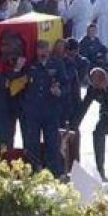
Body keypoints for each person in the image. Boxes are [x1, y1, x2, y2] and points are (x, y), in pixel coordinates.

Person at [16, 39, 69, 177]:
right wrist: (17, 68)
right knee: (31, 143)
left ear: (49, 49)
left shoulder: (56, 63)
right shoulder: (30, 63)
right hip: (32, 111)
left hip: (50, 111)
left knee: (52, 142)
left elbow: (66, 85)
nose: (42, 52)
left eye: (45, 49)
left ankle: (53, 173)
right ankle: (32, 172)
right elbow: (16, 82)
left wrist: (59, 92)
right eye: (40, 49)